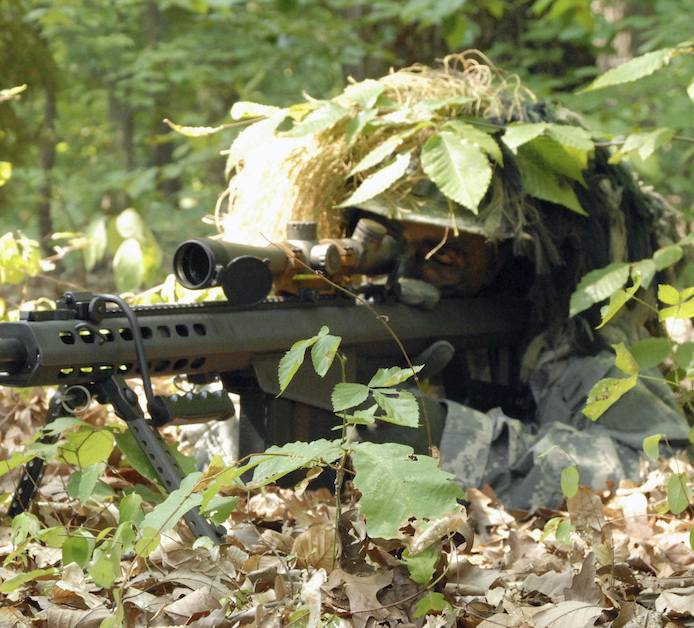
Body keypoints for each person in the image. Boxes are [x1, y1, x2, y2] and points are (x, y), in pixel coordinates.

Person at [216, 58, 691, 511]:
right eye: (388, 242)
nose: (411, 270)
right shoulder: (346, 327)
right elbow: (217, 467)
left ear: (504, 252)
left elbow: (665, 470)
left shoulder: (561, 348)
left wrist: (443, 434)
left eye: (444, 251)